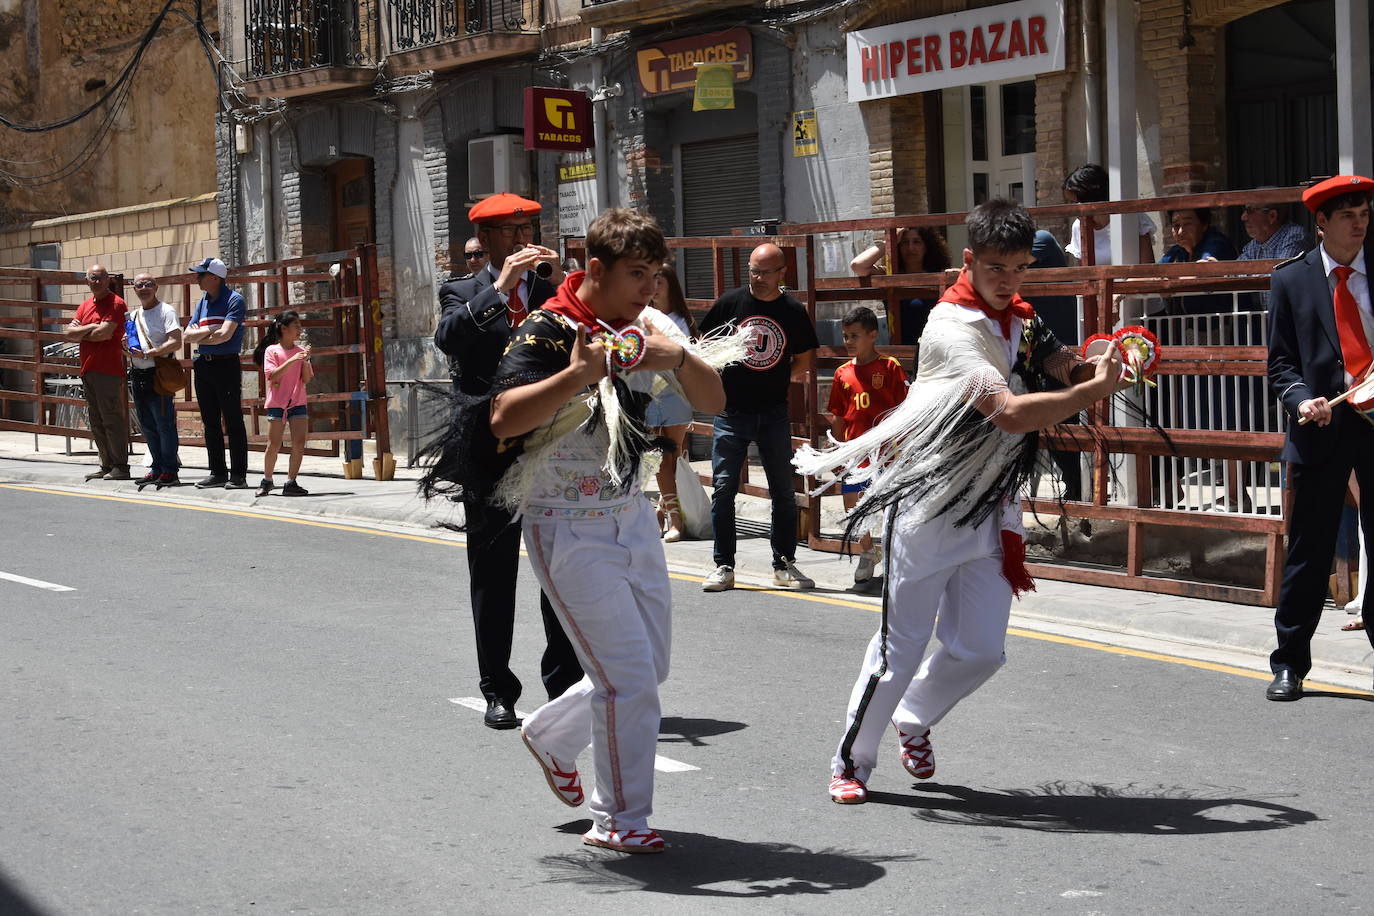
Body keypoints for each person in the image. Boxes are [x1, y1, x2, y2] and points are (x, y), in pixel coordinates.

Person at [795, 200, 1122, 804]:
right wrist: (1095, 391)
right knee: (900, 648)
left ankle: (914, 718)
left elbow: (1061, 363)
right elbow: (1011, 413)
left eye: (1020, 268)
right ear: (968, 261)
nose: (1009, 280)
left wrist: (1102, 362)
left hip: (991, 503)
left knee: (980, 650)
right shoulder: (952, 329)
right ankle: (852, 760)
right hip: (928, 506)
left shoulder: (1018, 316)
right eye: (997, 267)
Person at [483, 208, 725, 852]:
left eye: (656, 274)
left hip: (631, 516)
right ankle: (620, 817)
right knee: (627, 679)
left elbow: (714, 400)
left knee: (653, 664)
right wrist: (578, 376)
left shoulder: (648, 325)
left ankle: (552, 734)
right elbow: (504, 419)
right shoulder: (548, 328)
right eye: (637, 274)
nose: (649, 288)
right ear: (596, 270)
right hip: (565, 525)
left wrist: (676, 356)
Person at [433, 192, 581, 729]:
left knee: (558, 571)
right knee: (493, 576)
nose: (523, 240)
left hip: (552, 447)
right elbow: (450, 341)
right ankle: (498, 688)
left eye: (528, 229)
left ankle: (562, 686)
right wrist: (498, 289)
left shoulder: (553, 290)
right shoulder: (463, 290)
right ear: (489, 238)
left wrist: (566, 285)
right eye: (511, 232)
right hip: (489, 451)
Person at [1264, 175, 1374, 701]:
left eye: (1365, 214)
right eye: (1349, 215)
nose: (1360, 223)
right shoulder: (1291, 280)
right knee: (1309, 549)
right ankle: (1289, 662)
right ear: (1322, 223)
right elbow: (1281, 364)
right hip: (1322, 427)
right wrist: (1301, 398)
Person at [699, 242, 821, 592]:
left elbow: (804, 357)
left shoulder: (792, 310)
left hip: (773, 412)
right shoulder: (730, 303)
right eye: (753, 270)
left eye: (766, 271)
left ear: (783, 273)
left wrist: (780, 376)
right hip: (731, 411)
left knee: (782, 491)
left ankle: (784, 564)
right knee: (723, 489)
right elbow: (702, 345)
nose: (758, 277)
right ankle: (723, 566)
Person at [826, 306, 908, 585]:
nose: (848, 341)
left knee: (887, 503)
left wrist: (906, 447)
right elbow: (838, 414)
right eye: (845, 336)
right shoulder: (842, 373)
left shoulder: (890, 367)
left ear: (873, 335)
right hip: (855, 450)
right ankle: (867, 551)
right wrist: (837, 449)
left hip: (886, 451)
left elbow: (904, 409)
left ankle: (890, 555)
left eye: (854, 335)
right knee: (853, 504)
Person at [182, 257, 249, 489]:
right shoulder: (202, 302)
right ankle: (217, 472)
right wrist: (211, 330)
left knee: (232, 420)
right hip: (203, 364)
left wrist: (203, 334)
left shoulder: (235, 300)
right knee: (209, 421)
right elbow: (186, 336)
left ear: (214, 278)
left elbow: (226, 335)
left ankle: (238, 475)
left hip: (226, 365)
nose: (197, 278)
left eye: (200, 274)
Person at [643, 263, 698, 542]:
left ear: (670, 287)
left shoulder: (679, 320)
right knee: (660, 458)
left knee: (673, 456)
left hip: (674, 393)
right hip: (649, 393)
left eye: (659, 283)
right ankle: (672, 518)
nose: (654, 289)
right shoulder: (643, 315)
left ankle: (665, 514)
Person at [62, 264, 130, 481]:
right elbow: (69, 333)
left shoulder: (116, 303)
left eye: (101, 278)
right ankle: (106, 464)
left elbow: (104, 334)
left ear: (108, 279)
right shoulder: (84, 306)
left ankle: (120, 466)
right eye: (93, 278)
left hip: (108, 370)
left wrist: (83, 332)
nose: (97, 281)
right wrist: (91, 329)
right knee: (96, 419)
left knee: (111, 418)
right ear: (87, 281)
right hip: (88, 369)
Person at [850, 226, 953, 356]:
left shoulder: (939, 276)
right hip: (901, 356)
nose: (910, 248)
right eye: (905, 242)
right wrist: (889, 242)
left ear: (927, 246)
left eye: (916, 242)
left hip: (935, 354)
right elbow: (858, 266)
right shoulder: (890, 275)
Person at [125, 273, 182, 488]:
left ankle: (169, 470)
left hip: (158, 375)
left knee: (164, 424)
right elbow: (131, 347)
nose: (144, 288)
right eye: (140, 285)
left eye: (148, 284)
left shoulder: (166, 311)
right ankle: (156, 467)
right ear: (135, 289)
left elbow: (176, 341)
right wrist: (126, 348)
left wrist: (150, 353)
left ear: (156, 286)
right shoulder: (133, 316)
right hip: (138, 375)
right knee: (147, 425)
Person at [252, 311, 313, 497]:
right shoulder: (272, 351)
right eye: (296, 326)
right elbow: (272, 375)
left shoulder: (300, 352)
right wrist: (294, 359)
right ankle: (267, 480)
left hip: (298, 402)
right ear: (283, 328)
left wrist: (306, 361)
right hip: (278, 403)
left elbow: (306, 379)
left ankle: (291, 481)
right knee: (274, 443)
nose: (299, 330)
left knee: (299, 442)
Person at [1062, 163, 1155, 265]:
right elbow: (1085, 274)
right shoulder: (1078, 227)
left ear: (1091, 198)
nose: (1074, 210)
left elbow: (1148, 267)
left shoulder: (1134, 218)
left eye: (1076, 203)